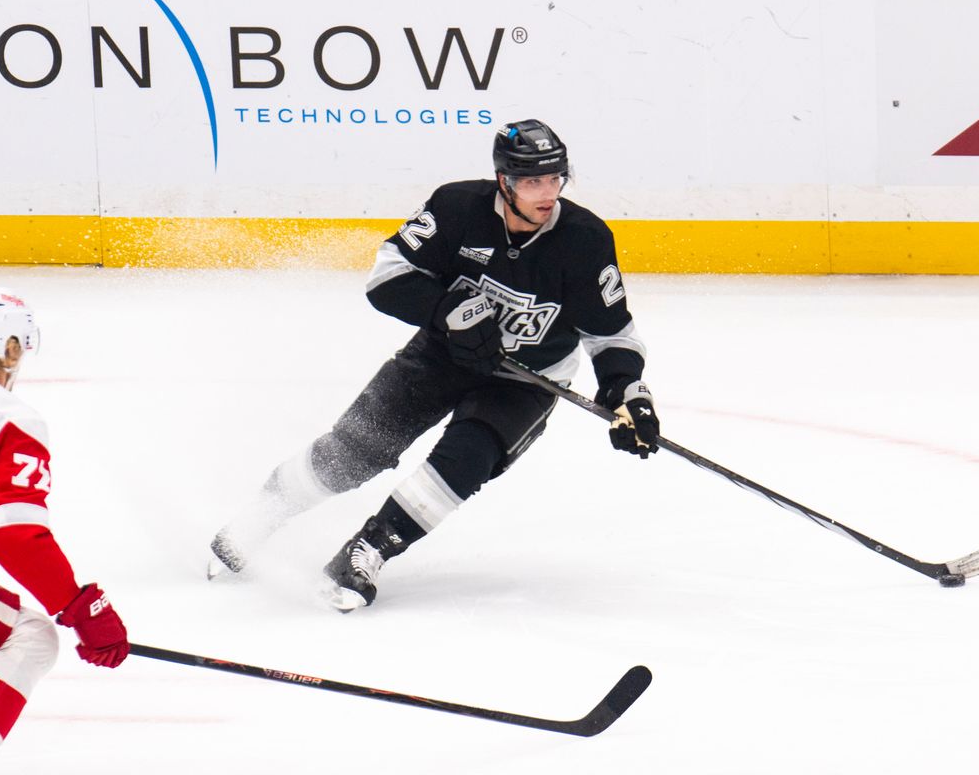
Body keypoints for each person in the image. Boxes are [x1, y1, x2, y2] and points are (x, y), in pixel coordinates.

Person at [209, 118, 661, 611]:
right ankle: (261, 516)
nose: (546, 192)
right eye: (532, 181)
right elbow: (388, 276)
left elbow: (610, 331)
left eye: (555, 178)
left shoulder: (585, 240)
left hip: (525, 380)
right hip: (440, 357)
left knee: (465, 460)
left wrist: (627, 392)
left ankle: (367, 550)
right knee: (354, 450)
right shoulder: (456, 207)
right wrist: (449, 310)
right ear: (504, 181)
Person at [0, 287, 129, 775]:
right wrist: (81, 609)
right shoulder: (8, 416)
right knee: (30, 636)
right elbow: (15, 537)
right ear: (9, 349)